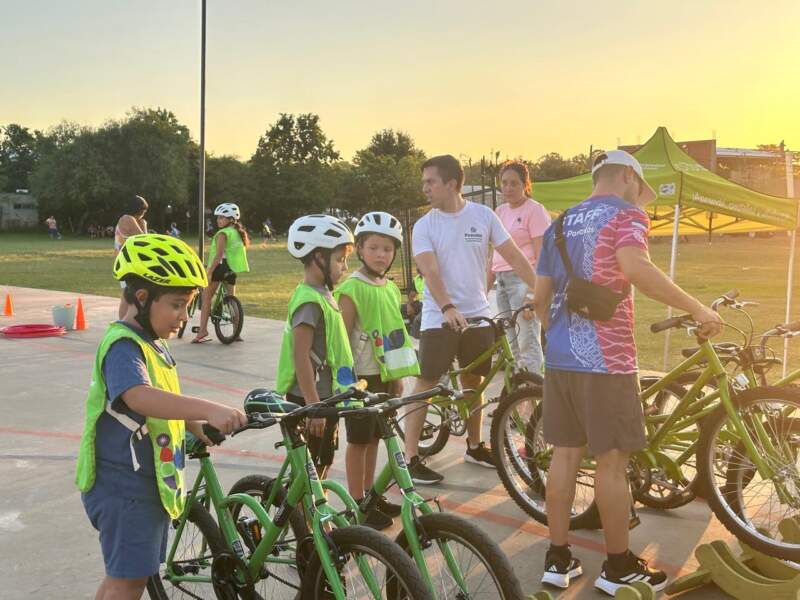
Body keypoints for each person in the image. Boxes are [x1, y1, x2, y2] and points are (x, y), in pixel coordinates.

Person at [533, 150, 723, 594]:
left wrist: (559, 336)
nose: (641, 199)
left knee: (563, 457)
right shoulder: (627, 215)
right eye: (640, 190)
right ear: (626, 178)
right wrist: (697, 308)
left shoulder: (557, 223)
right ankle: (619, 567)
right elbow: (636, 267)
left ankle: (557, 559)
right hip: (607, 361)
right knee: (612, 464)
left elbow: (539, 298)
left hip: (560, 358)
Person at [75, 233, 248, 600]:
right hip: (124, 488)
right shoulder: (124, 346)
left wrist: (191, 424)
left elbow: (162, 396)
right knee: (128, 582)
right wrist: (208, 408)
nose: (183, 317)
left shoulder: (152, 342)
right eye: (176, 305)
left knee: (125, 577)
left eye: (187, 307)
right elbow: (139, 396)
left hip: (141, 484)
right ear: (142, 297)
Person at [406, 154, 538, 485]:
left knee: (475, 381)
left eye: (430, 182)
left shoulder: (483, 216)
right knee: (426, 381)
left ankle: (475, 445)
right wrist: (448, 306)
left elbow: (514, 257)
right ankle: (409, 457)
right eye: (424, 182)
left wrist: (541, 288)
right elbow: (429, 270)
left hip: (478, 312)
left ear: (451, 183)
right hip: (440, 315)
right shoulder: (424, 225)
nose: (425, 188)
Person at [335, 211, 420, 530]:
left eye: (387, 248)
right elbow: (341, 339)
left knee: (374, 438)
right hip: (359, 378)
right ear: (359, 249)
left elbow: (393, 334)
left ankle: (370, 494)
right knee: (358, 441)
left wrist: (396, 377)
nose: (381, 254)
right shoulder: (352, 288)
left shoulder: (387, 287)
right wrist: (344, 384)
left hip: (383, 377)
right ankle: (356, 502)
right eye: (373, 247)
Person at [275, 214, 357, 478]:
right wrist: (313, 407)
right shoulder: (309, 302)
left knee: (322, 462)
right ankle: (302, 517)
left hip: (326, 397)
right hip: (310, 399)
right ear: (318, 258)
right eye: (340, 259)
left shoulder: (324, 294)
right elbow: (300, 357)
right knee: (307, 472)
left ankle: (312, 516)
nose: (344, 266)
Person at [488, 160, 551, 374]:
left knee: (527, 340)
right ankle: (518, 396)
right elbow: (494, 253)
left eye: (514, 183)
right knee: (511, 343)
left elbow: (543, 253)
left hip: (523, 282)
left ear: (525, 184)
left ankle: (532, 394)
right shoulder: (499, 211)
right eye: (504, 183)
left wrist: (535, 292)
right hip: (501, 282)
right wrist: (484, 287)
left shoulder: (535, 211)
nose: (508, 188)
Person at [192, 203, 250, 344]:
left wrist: (209, 271)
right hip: (231, 270)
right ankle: (236, 332)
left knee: (206, 299)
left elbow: (218, 256)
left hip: (220, 268)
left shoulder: (222, 234)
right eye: (218, 217)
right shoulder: (238, 232)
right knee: (232, 300)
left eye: (222, 217)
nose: (218, 220)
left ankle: (202, 332)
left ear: (231, 219)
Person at [115, 195, 149, 319]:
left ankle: (125, 321)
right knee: (127, 295)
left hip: (126, 263)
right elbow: (144, 240)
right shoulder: (128, 219)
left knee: (129, 294)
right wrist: (144, 225)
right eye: (143, 211)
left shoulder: (125, 218)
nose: (143, 215)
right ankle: (123, 323)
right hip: (126, 264)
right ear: (138, 210)